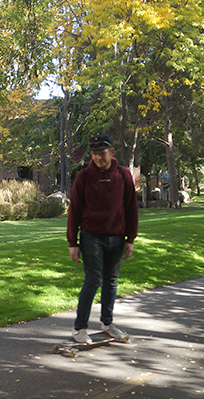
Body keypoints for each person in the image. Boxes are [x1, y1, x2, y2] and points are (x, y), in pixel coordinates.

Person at [66, 135, 139, 343]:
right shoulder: (84, 177)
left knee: (111, 281)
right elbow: (75, 211)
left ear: (112, 152)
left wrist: (130, 238)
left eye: (102, 153)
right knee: (93, 280)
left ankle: (107, 323)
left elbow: (131, 209)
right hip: (91, 237)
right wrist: (73, 242)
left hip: (116, 238)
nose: (98, 157)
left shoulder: (124, 175)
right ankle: (79, 328)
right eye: (95, 154)